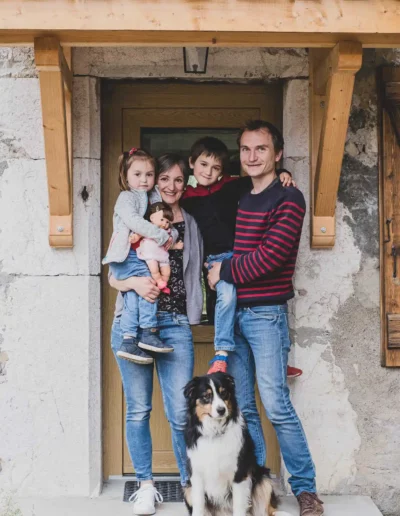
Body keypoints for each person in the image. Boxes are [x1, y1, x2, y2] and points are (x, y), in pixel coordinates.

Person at [207, 120, 324, 516]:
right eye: (245, 149)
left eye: (261, 148)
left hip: (265, 315)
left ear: (278, 153)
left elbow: (271, 258)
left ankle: (306, 490)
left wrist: (224, 271)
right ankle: (260, 488)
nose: (252, 156)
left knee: (276, 405)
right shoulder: (241, 196)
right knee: (245, 410)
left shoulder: (289, 198)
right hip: (232, 317)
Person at [109, 153, 203, 515]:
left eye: (178, 179)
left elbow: (198, 268)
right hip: (132, 326)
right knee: (138, 410)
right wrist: (133, 283)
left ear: (186, 183)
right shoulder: (136, 217)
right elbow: (114, 274)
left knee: (181, 412)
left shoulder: (190, 224)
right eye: (163, 178)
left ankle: (191, 486)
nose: (169, 186)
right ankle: (146, 486)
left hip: (175, 325)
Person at [181, 136, 302, 378]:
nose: (208, 172)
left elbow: (264, 180)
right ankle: (221, 353)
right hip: (215, 260)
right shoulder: (187, 200)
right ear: (192, 163)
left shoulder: (231, 187)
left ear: (223, 172)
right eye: (203, 164)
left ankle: (278, 359)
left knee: (264, 306)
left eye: (216, 168)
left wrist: (284, 173)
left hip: (238, 256)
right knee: (226, 299)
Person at [103, 148, 175, 364]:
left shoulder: (152, 197)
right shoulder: (126, 197)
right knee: (147, 285)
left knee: (135, 296)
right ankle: (146, 332)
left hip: (137, 256)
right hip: (125, 257)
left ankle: (131, 339)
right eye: (137, 174)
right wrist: (161, 236)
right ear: (125, 176)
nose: (144, 180)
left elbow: (166, 221)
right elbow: (134, 221)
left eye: (149, 174)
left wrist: (167, 234)